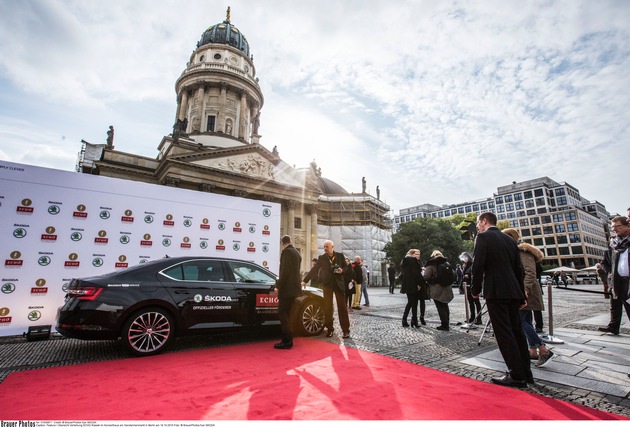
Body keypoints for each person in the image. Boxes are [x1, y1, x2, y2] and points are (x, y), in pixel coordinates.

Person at [471, 212, 532, 388]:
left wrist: (475, 290)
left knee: (503, 332)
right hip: (513, 290)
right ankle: (526, 373)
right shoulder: (510, 240)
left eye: (478, 223)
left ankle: (516, 374)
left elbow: (478, 266)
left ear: (484, 221)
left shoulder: (483, 238)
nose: (477, 226)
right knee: (517, 331)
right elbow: (518, 269)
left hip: (496, 290)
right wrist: (521, 293)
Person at [503, 228, 556, 368]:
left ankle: (543, 349)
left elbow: (530, 273)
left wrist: (524, 290)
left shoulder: (522, 252)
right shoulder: (516, 252)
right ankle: (532, 350)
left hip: (527, 293)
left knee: (520, 321)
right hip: (523, 291)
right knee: (526, 320)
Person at [302, 240, 351, 339]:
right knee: (327, 307)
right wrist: (305, 280)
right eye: (324, 246)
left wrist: (342, 270)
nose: (325, 248)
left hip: (339, 284)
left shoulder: (340, 256)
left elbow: (347, 268)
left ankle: (346, 330)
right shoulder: (322, 258)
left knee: (342, 307)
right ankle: (330, 329)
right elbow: (314, 269)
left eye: (327, 246)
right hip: (327, 284)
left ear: (332, 247)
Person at [597, 216, 630, 335]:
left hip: (628, 281)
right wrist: (609, 272)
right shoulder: (613, 244)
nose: (615, 229)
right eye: (613, 227)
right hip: (616, 280)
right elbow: (604, 262)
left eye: (618, 226)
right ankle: (613, 326)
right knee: (615, 305)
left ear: (628, 226)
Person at [274, 235, 302, 349]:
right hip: (295, 289)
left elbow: (284, 271)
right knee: (289, 315)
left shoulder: (286, 252)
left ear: (283, 243)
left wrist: (278, 286)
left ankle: (286, 341)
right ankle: (290, 339)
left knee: (282, 313)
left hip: (286, 290)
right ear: (290, 242)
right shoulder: (297, 253)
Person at [423, 250, 454, 331]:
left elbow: (426, 276)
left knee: (440, 306)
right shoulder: (446, 263)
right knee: (445, 305)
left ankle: (444, 325)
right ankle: (447, 322)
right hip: (447, 287)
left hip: (436, 288)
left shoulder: (431, 264)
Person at [400, 249, 424, 328]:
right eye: (416, 254)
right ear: (412, 254)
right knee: (414, 303)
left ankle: (405, 319)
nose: (418, 256)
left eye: (419, 254)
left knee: (410, 302)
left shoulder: (405, 261)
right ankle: (414, 321)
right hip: (413, 284)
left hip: (407, 284)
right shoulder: (413, 261)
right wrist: (420, 283)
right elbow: (416, 274)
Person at [460, 252, 482, 325]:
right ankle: (472, 317)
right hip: (467, 286)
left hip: (472, 285)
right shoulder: (465, 265)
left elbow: (476, 274)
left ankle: (479, 318)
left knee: (476, 302)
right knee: (470, 302)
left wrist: (469, 275)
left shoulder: (472, 264)